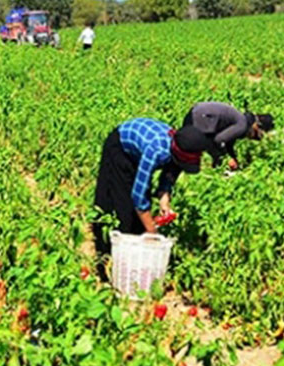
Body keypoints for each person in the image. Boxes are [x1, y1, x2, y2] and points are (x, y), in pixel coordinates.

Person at [91, 118, 215, 254]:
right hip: (120, 147)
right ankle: (105, 252)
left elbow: (171, 172)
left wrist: (164, 199)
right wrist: (152, 232)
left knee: (139, 219)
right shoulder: (156, 151)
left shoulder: (181, 146)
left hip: (140, 150)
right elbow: (138, 197)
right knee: (121, 206)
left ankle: (136, 252)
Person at [182, 102, 274, 170]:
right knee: (210, 152)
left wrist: (233, 157)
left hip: (196, 114)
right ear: (256, 127)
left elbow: (228, 143)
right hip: (198, 119)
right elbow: (218, 140)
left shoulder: (241, 120)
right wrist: (227, 159)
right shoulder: (242, 125)